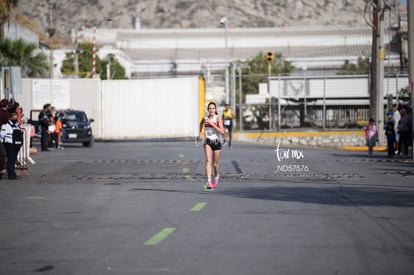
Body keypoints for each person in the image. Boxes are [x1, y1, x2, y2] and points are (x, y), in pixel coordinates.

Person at [199, 102, 225, 189]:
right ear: (208, 109)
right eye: (209, 108)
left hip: (217, 142)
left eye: (213, 108)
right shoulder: (205, 118)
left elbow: (222, 132)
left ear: (215, 109)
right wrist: (200, 133)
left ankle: (217, 176)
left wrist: (212, 124)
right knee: (208, 161)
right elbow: (201, 124)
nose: (211, 110)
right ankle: (209, 182)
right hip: (208, 142)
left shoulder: (218, 118)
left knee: (215, 164)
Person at [0, 112, 24, 179]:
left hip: (16, 145)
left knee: (13, 159)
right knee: (10, 160)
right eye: (13, 117)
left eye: (16, 117)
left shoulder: (17, 125)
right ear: (10, 117)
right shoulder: (5, 125)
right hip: (9, 144)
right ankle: (11, 175)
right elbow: (2, 135)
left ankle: (12, 173)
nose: (15, 118)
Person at [0, 99, 10, 178]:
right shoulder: (6, 114)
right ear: (7, 106)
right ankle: (2, 169)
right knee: (3, 153)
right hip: (2, 136)